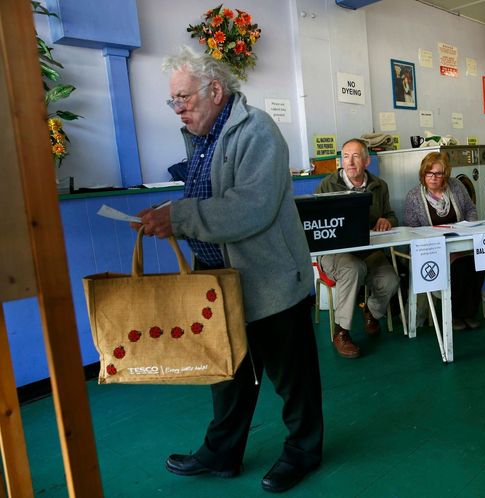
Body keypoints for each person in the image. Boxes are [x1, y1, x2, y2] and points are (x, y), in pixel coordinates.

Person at [131, 46, 323, 494]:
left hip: (272, 281)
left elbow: (249, 209)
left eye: (184, 97)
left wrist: (178, 217)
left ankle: (303, 452)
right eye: (172, 100)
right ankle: (221, 453)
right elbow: (205, 197)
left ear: (215, 90)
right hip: (219, 281)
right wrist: (168, 212)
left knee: (292, 378)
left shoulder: (257, 131)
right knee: (228, 373)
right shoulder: (202, 138)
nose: (177, 108)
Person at [315, 138, 400, 359]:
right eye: (345, 156)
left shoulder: (380, 185)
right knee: (353, 269)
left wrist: (387, 220)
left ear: (366, 161)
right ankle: (341, 332)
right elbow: (316, 221)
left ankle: (370, 309)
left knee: (390, 279)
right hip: (335, 252)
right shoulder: (327, 184)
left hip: (368, 248)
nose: (350, 162)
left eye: (355, 157)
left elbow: (391, 214)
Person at [403, 151, 485, 330]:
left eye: (438, 174)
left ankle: (469, 313)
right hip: (432, 248)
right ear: (423, 174)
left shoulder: (456, 186)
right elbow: (411, 229)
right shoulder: (414, 196)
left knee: (477, 262)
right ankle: (454, 315)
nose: (432, 178)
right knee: (459, 268)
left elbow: (471, 209)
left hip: (460, 242)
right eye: (428, 173)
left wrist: (468, 227)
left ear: (445, 175)